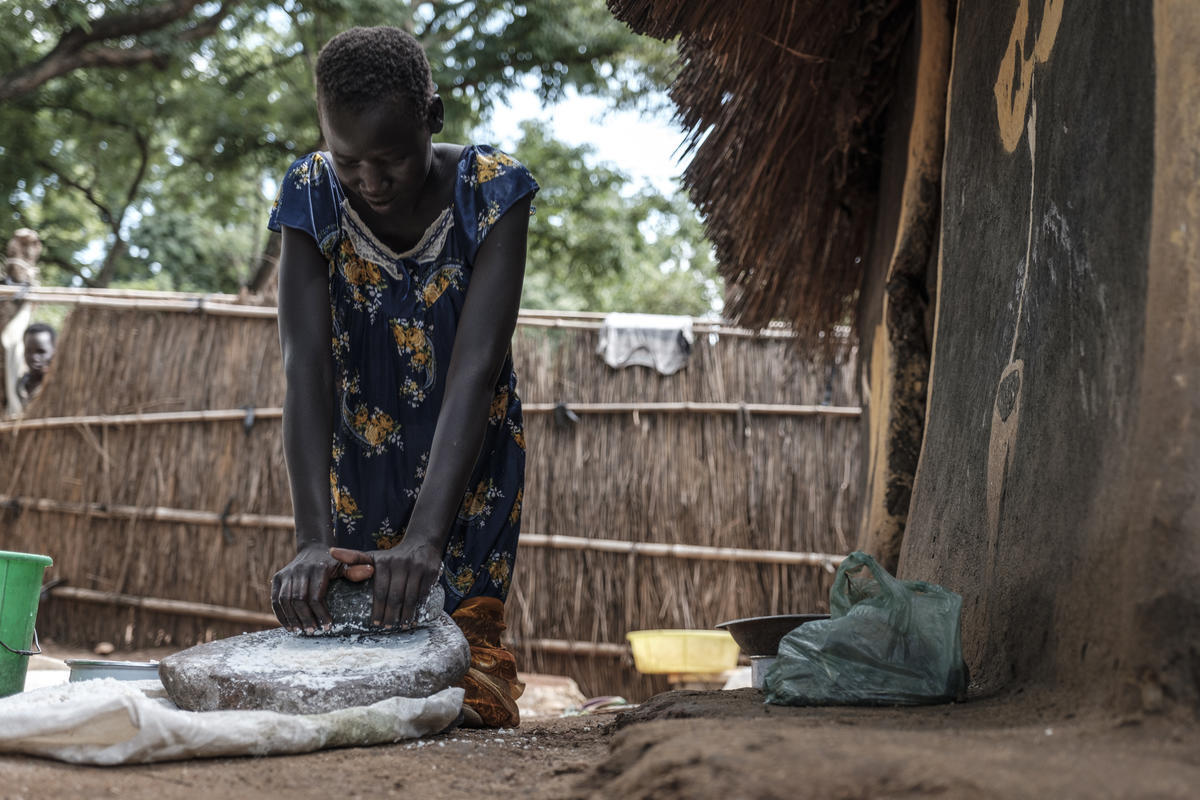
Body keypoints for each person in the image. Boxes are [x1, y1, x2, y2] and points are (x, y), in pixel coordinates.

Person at [267, 26, 537, 728]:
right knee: (355, 679)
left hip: (465, 467)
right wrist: (311, 540)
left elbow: (477, 369)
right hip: (355, 465)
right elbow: (306, 367)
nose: (370, 181)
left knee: (466, 693)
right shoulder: (311, 193)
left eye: (391, 159)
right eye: (349, 158)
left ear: (433, 117)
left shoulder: (493, 195)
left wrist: (425, 538)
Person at [16, 323, 55, 411]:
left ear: (54, 351)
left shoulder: (58, 386)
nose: (34, 358)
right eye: (28, 351)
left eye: (41, 352)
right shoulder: (20, 385)